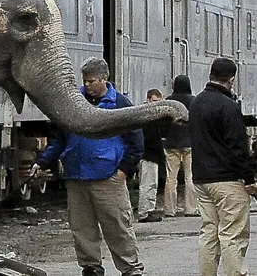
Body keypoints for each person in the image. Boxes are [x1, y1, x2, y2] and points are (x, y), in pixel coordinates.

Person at [30, 57, 144, 276]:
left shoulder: (120, 104)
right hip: (77, 176)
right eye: (85, 81)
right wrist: (42, 162)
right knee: (82, 229)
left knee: (117, 227)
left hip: (108, 177)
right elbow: (59, 140)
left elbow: (136, 143)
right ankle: (90, 267)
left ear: (104, 79)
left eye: (92, 81)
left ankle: (131, 268)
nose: (88, 85)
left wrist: (122, 172)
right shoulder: (73, 105)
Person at [190, 57, 257, 276]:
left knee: (209, 232)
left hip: (201, 178)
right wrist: (249, 179)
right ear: (231, 79)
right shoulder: (228, 106)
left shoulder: (196, 103)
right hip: (227, 180)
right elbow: (237, 147)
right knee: (232, 235)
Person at [162, 74, 198, 218]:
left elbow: (163, 122)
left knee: (171, 178)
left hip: (171, 144)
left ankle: (170, 210)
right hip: (189, 143)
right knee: (190, 176)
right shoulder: (193, 101)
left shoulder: (169, 101)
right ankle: (190, 209)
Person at [137, 88, 165, 223]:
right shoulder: (148, 117)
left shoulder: (148, 115)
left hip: (151, 154)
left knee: (151, 183)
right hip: (148, 154)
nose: (156, 104)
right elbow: (150, 138)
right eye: (154, 101)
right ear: (148, 99)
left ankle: (149, 209)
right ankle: (144, 211)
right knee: (148, 184)